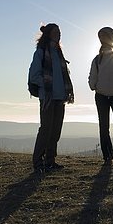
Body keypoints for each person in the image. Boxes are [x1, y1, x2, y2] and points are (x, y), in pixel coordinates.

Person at [28, 23, 74, 172]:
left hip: (60, 98)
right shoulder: (41, 52)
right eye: (55, 32)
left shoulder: (59, 53)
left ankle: (50, 161)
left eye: (59, 31)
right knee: (46, 129)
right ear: (48, 34)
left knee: (55, 130)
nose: (58, 34)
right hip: (47, 97)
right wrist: (49, 85)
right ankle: (38, 162)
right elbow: (34, 75)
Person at [88, 27, 113, 165]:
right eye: (101, 36)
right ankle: (108, 156)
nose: (102, 38)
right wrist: (94, 86)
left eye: (104, 36)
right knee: (106, 126)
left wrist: (94, 86)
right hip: (104, 96)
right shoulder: (98, 59)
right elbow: (93, 76)